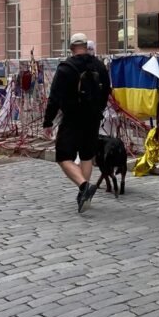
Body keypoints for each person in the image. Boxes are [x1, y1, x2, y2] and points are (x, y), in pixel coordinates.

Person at [43, 32, 111, 213]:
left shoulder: (66, 68)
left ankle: (83, 186)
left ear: (72, 48)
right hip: (93, 118)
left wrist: (48, 121)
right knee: (87, 155)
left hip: (73, 118)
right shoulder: (99, 65)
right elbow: (107, 91)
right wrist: (99, 110)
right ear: (86, 46)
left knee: (63, 156)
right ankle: (84, 194)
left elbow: (54, 97)